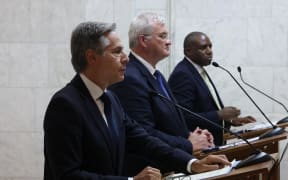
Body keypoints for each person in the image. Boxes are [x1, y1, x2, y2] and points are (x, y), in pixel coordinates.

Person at [43, 22, 230, 180]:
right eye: (117, 52)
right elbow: (68, 175)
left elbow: (144, 141)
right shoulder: (65, 104)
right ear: (91, 57)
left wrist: (192, 163)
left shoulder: (110, 99)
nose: (125, 59)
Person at [109, 13, 215, 175]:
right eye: (163, 36)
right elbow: (144, 132)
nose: (169, 41)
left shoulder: (155, 75)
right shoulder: (130, 78)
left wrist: (195, 136)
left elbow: (170, 121)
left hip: (173, 162)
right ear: (144, 40)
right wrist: (188, 143)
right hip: (152, 171)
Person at [168, 31, 256, 146]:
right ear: (188, 51)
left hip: (214, 144)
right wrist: (219, 115)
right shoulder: (182, 74)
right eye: (203, 48)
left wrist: (228, 121)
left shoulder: (198, 70)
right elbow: (183, 117)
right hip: (199, 149)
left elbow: (203, 108)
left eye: (210, 46)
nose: (209, 51)